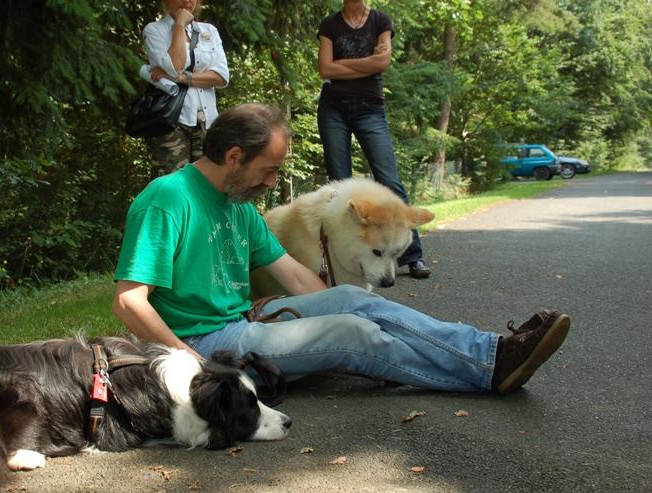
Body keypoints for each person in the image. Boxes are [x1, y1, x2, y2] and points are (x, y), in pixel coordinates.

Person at [112, 103, 571, 395]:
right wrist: (190, 362)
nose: (273, 183)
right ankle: (490, 373)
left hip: (245, 321)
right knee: (353, 336)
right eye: (268, 171)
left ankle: (490, 351)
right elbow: (129, 301)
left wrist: (332, 306)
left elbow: (294, 276)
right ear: (234, 157)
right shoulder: (168, 198)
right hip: (204, 343)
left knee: (356, 301)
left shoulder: (241, 209)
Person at [317, 0, 430, 279]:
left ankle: (413, 257)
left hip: (370, 107)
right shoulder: (329, 24)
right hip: (333, 108)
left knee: (389, 181)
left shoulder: (381, 21)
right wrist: (366, 64)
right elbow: (325, 70)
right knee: (338, 185)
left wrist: (343, 63)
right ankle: (337, 257)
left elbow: (383, 62)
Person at [141, 0, 230, 177]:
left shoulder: (209, 31)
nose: (187, 1)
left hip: (207, 122)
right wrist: (179, 25)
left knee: (207, 183)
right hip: (170, 120)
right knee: (171, 185)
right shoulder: (154, 30)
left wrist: (182, 78)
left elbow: (221, 77)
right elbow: (176, 65)